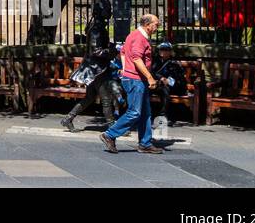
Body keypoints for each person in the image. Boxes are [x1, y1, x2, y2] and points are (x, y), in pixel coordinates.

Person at [100, 14, 166, 155]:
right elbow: (137, 59)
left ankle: (145, 143)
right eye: (156, 24)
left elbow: (123, 52)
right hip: (136, 80)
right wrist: (149, 77)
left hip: (135, 78)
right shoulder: (139, 38)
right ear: (147, 25)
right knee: (135, 112)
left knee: (145, 113)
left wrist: (124, 69)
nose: (157, 27)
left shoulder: (134, 35)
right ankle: (110, 134)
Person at [59, 44, 118, 131]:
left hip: (94, 70)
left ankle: (68, 118)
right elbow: (97, 51)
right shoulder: (96, 30)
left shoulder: (95, 31)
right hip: (98, 71)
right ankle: (112, 127)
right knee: (106, 100)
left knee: (89, 98)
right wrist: (112, 51)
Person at [150, 41, 185, 123]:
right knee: (145, 89)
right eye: (161, 49)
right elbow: (152, 72)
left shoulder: (174, 63)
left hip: (171, 86)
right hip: (157, 84)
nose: (163, 51)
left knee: (165, 90)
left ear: (170, 52)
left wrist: (168, 80)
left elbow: (178, 77)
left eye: (166, 50)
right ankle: (145, 113)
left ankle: (163, 115)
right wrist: (161, 78)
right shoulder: (156, 61)